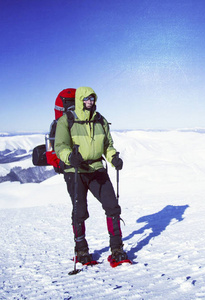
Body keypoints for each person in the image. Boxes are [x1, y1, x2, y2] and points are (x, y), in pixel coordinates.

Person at [54, 86, 127, 265]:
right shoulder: (66, 121)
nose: (90, 102)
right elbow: (60, 146)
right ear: (79, 100)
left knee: (112, 207)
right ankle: (81, 251)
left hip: (96, 168)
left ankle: (117, 249)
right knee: (80, 211)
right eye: (86, 99)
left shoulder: (100, 120)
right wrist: (70, 157)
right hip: (75, 170)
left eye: (92, 99)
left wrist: (113, 158)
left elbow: (107, 145)